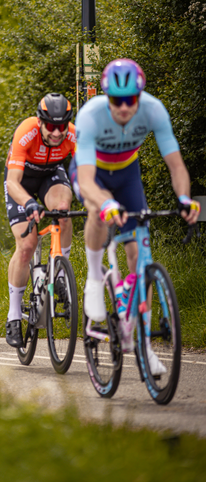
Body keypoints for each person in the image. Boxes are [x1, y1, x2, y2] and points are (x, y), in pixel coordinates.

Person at [70, 58, 200, 376]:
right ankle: (95, 278)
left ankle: (144, 346)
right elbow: (86, 182)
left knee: (140, 258)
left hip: (127, 174)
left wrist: (184, 198)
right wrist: (105, 202)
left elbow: (177, 166)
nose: (125, 107)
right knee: (97, 211)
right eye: (117, 100)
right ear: (106, 96)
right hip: (93, 173)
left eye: (131, 100)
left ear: (140, 96)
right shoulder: (91, 115)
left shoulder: (153, 110)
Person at [4, 93, 76, 348]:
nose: (57, 133)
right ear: (41, 121)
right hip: (21, 180)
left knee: (64, 212)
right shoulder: (26, 131)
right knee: (26, 246)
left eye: (62, 126)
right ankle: (14, 315)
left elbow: (87, 168)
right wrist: (29, 203)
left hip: (51, 174)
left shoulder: (71, 135)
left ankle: (60, 272)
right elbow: (12, 182)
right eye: (51, 126)